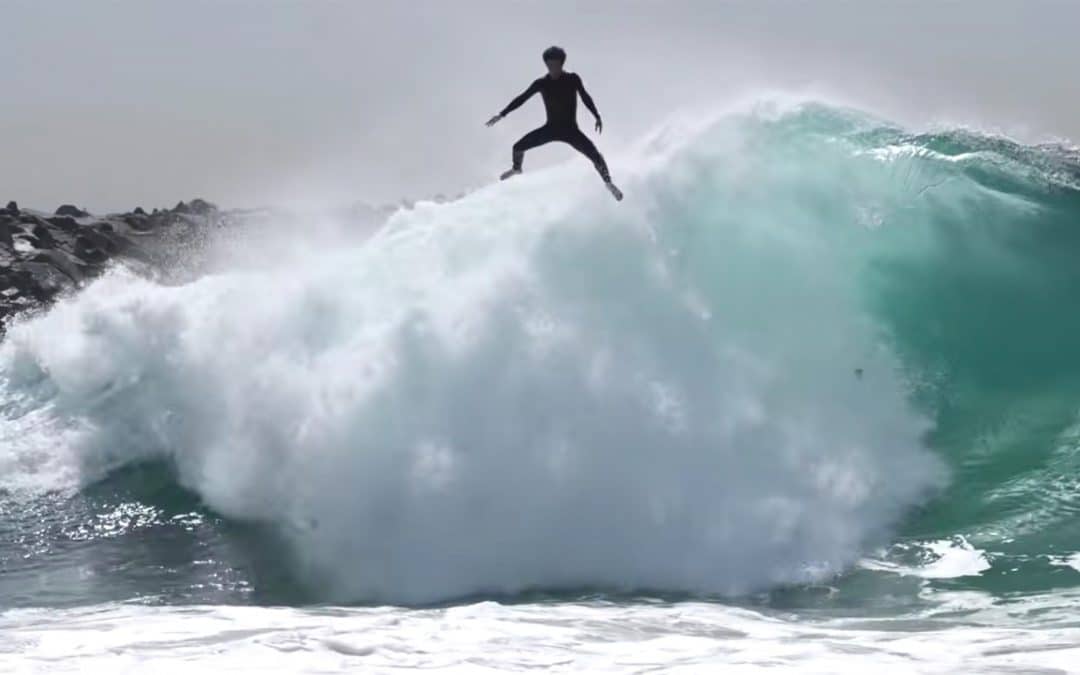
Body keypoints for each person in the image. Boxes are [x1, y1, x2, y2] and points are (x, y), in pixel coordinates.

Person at [486, 46, 623, 201]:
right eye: (549, 65)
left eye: (555, 65)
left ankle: (609, 183)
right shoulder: (541, 83)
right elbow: (522, 98)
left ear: (561, 64)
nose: (552, 68)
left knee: (595, 156)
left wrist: (596, 115)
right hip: (551, 129)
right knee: (517, 147)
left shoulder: (572, 79)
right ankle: (517, 169)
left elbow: (585, 96)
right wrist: (502, 114)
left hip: (571, 131)